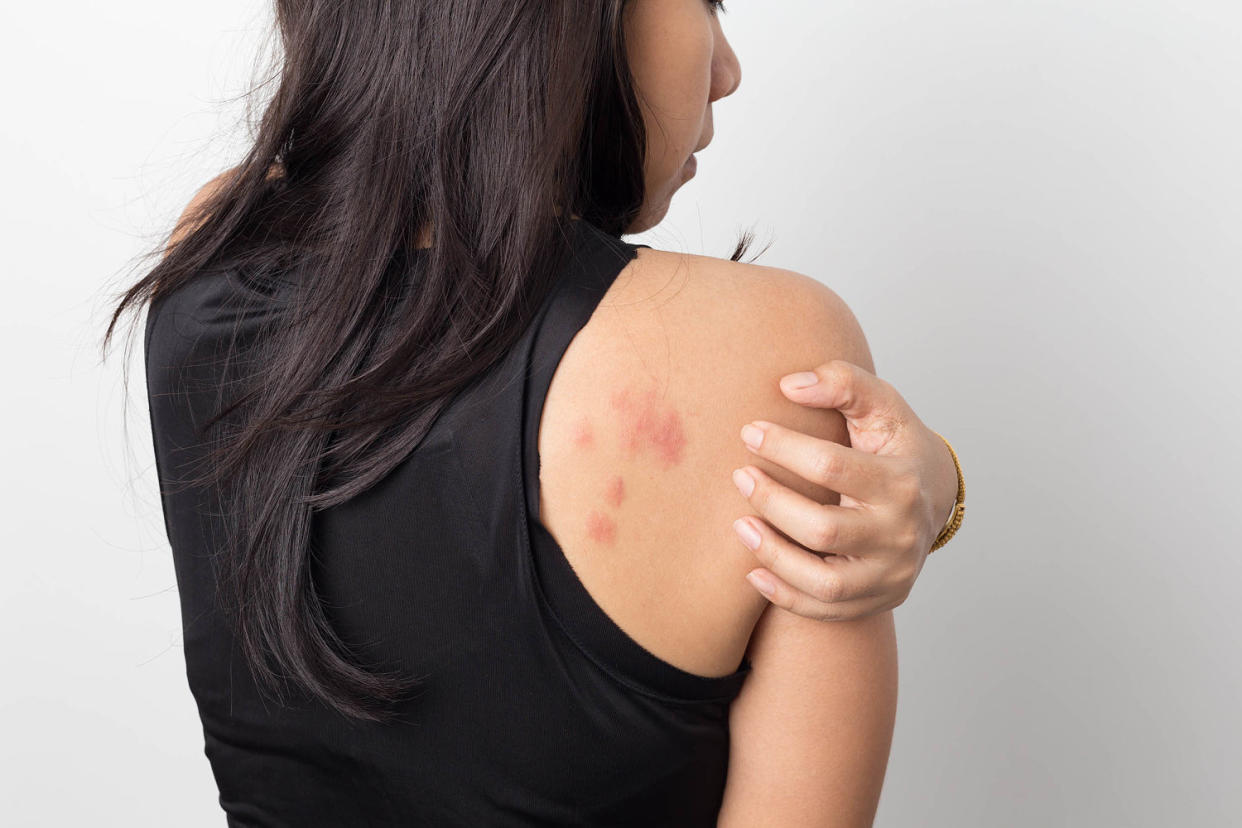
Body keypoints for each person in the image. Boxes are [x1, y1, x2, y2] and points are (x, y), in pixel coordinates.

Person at [105, 1, 965, 825]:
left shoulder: (217, 247)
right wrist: (943, 487)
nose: (728, 71)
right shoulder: (773, 348)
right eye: (710, 2)